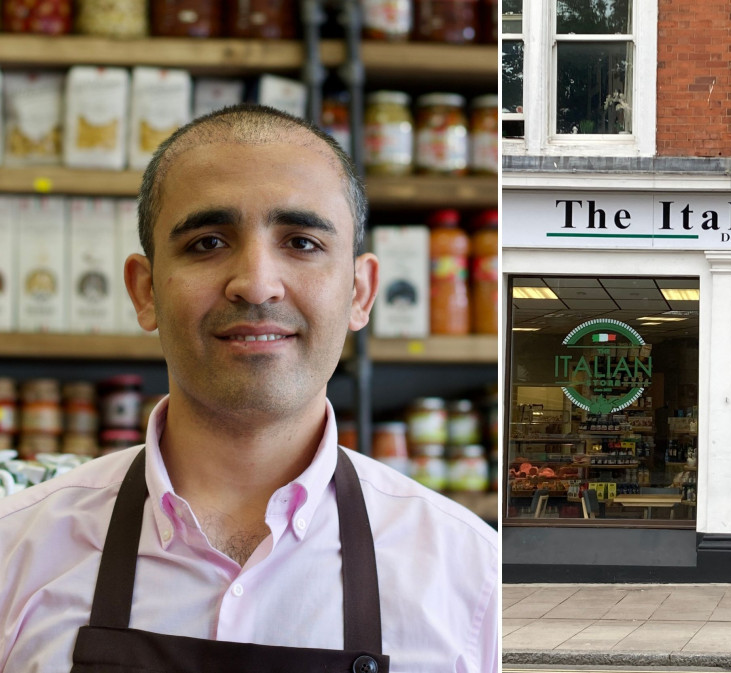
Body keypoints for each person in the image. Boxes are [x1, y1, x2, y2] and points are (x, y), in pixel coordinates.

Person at [0, 104, 498, 673]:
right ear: (144, 292)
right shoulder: (15, 554)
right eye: (208, 243)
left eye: (303, 242)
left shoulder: (472, 579)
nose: (257, 284)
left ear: (360, 293)